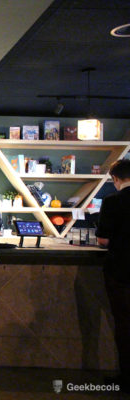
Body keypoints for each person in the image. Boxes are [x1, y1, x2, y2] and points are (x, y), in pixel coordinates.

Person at [96, 158, 130, 393]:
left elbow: (103, 240)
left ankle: (126, 379)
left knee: (125, 325)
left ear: (115, 179)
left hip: (122, 271)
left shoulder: (112, 201)